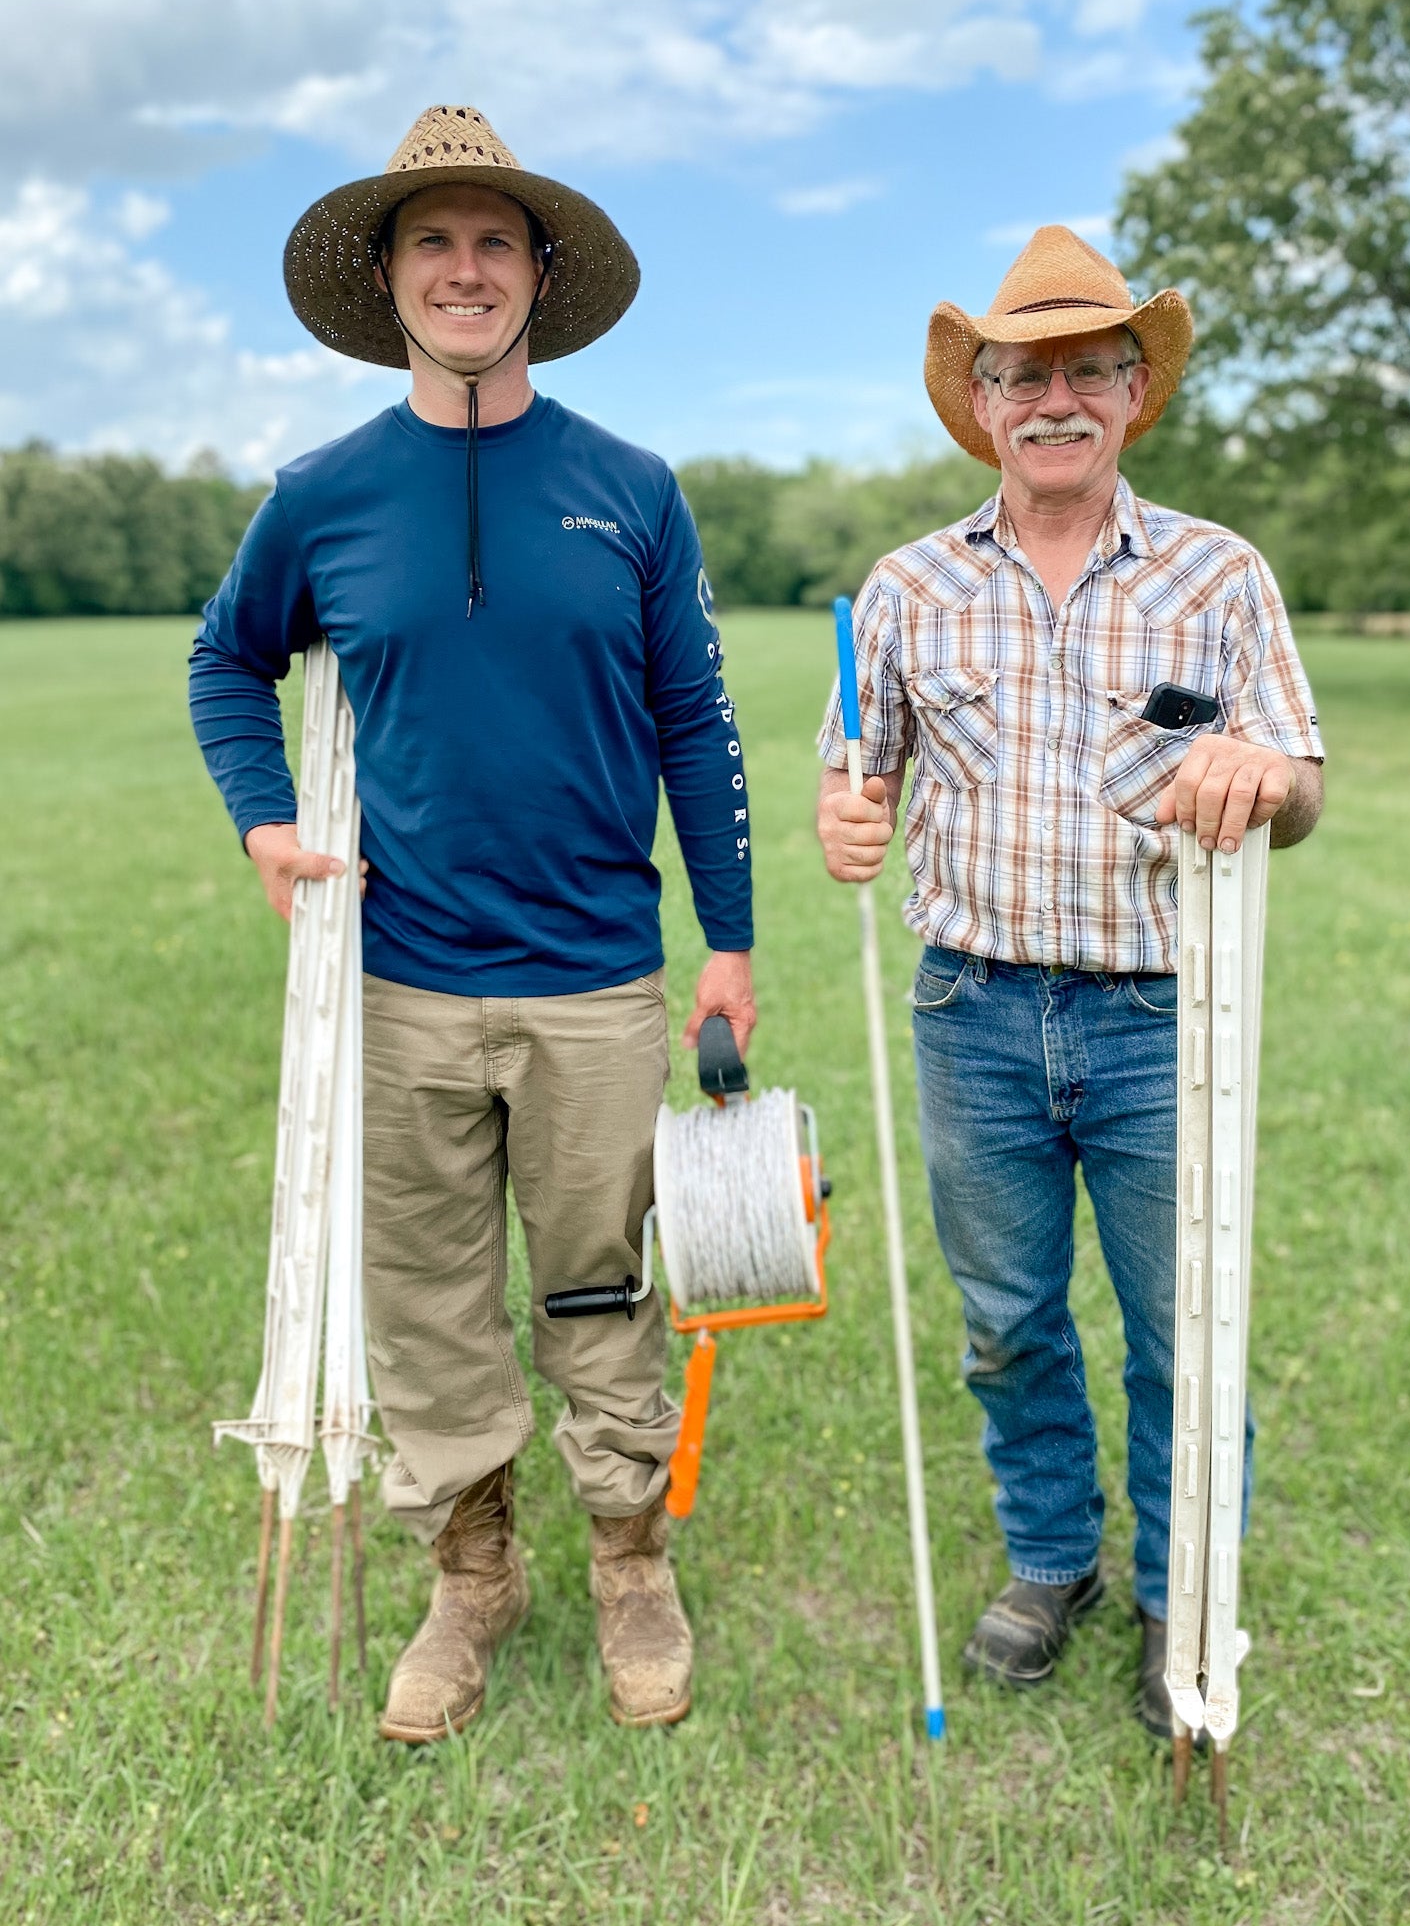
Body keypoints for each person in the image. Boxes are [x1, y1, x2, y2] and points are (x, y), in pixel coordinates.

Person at [190, 105, 755, 1741]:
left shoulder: (630, 489)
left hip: (595, 976)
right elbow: (230, 659)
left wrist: (724, 942)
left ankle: (630, 1558)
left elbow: (697, 720)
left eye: (492, 239)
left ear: (539, 272)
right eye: (430, 240)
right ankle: (472, 1572)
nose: (462, 267)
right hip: (401, 978)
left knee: (598, 1285)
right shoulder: (322, 494)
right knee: (428, 1296)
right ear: (388, 279)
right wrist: (264, 819)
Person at [814, 225, 1324, 1736]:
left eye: (1086, 371)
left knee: (1187, 1326)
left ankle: (1184, 1595)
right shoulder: (905, 588)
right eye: (1023, 372)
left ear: (1130, 395)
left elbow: (1298, 782)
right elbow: (859, 774)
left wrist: (1262, 771)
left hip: (1161, 1017)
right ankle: (1053, 1561)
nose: (1054, 399)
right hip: (970, 1011)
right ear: (981, 402)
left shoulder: (1217, 577)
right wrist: (846, 812)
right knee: (1008, 1319)